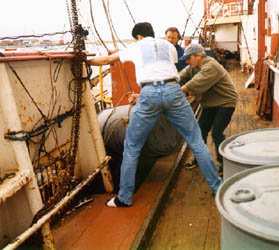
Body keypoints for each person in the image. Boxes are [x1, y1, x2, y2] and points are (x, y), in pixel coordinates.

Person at [88, 22, 221, 207]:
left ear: (139, 37)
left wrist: (85, 61)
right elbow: (168, 69)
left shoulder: (136, 46)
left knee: (132, 147)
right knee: (196, 141)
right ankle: (218, 188)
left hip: (148, 93)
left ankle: (124, 198)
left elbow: (106, 61)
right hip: (173, 90)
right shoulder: (168, 46)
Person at [178, 44, 238, 176]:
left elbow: (192, 85)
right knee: (201, 130)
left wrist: (172, 92)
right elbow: (180, 77)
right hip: (210, 104)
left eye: (189, 58)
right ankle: (200, 158)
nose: (187, 62)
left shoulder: (211, 66)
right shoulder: (193, 67)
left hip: (226, 102)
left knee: (216, 132)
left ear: (199, 55)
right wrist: (168, 83)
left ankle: (224, 163)